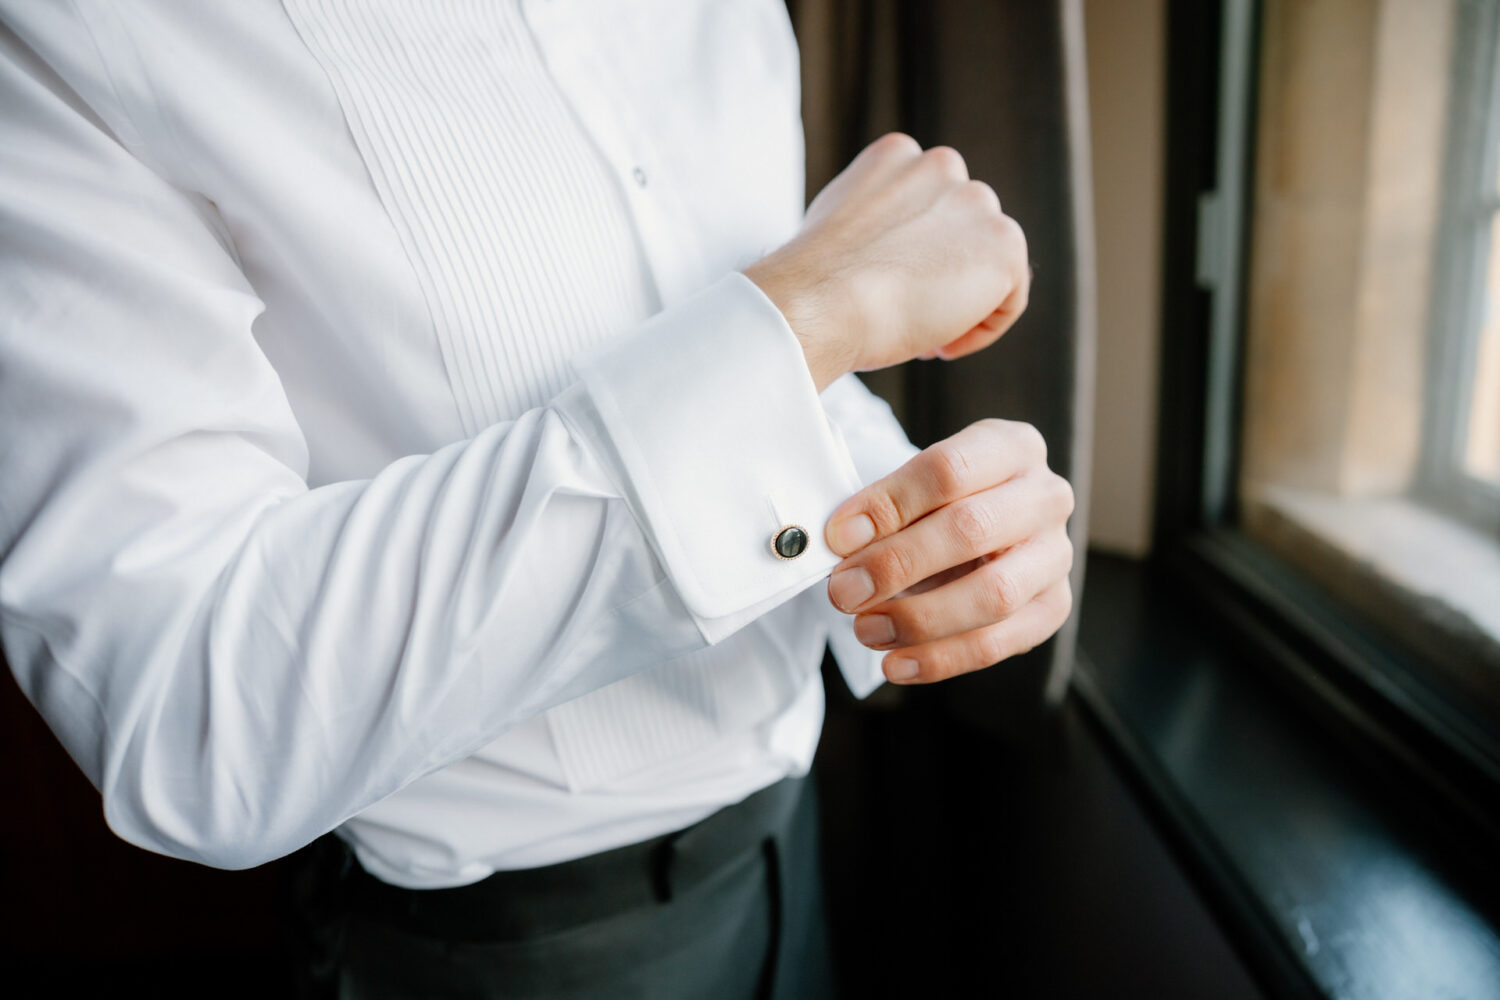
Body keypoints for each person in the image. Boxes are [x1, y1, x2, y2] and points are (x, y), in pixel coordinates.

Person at [0, 3, 1074, 997]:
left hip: (795, 849)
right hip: (497, 952)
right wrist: (815, 308)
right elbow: (192, 714)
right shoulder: (82, 32)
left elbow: (742, 341)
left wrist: (921, 514)